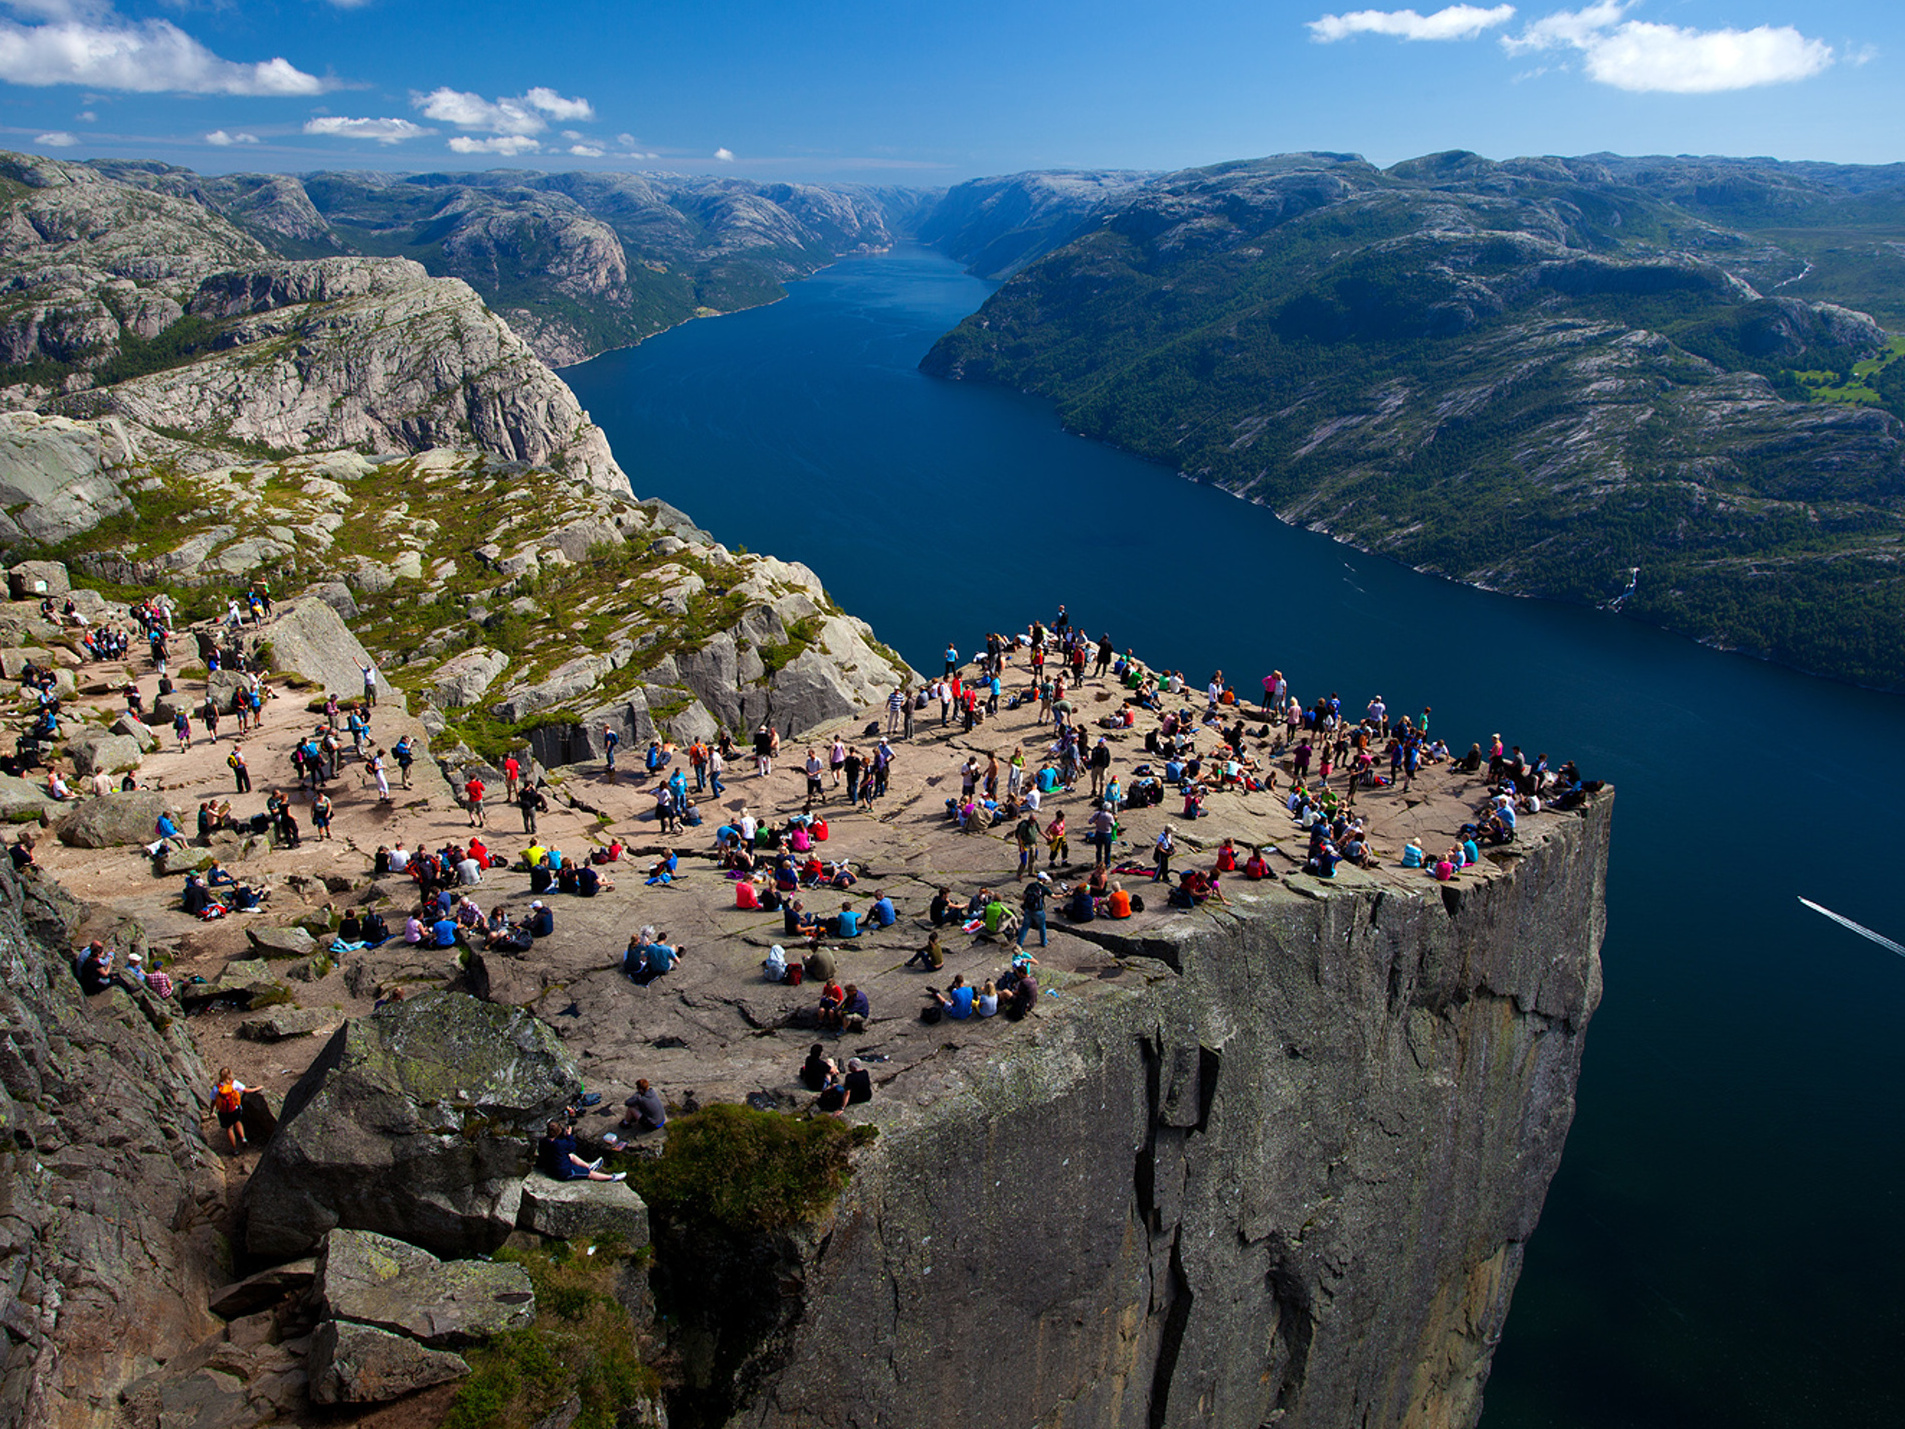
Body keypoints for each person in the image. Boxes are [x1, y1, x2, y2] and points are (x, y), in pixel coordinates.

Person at [538, 1118, 624, 1181]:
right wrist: (569, 1135)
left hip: (550, 1168)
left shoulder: (543, 1141)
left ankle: (589, 1166)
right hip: (563, 1172)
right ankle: (611, 1178)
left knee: (570, 1156)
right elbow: (572, 1146)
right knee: (588, 1174)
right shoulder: (560, 1144)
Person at [212, 1067, 248, 1154]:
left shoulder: (217, 1088)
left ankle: (235, 1149)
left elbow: (213, 1101)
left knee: (229, 1129)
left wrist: (211, 1111)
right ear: (230, 1074)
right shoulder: (234, 1084)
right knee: (238, 1122)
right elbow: (246, 1090)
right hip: (234, 1109)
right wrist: (257, 1088)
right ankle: (243, 1138)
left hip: (223, 1112)